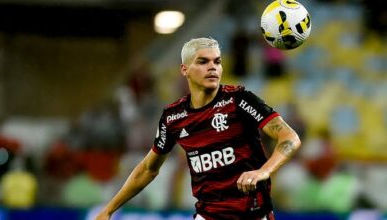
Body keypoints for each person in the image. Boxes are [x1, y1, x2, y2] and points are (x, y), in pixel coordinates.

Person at [95, 37, 301, 220]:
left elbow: (290, 137)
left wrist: (263, 172)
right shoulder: (173, 117)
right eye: (203, 61)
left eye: (217, 62)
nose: (212, 67)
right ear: (184, 69)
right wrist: (109, 210)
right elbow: (148, 169)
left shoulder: (239, 100)